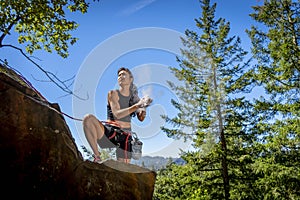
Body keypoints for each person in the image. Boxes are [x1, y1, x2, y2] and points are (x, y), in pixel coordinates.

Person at [82, 67, 152, 163]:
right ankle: (97, 156)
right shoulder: (113, 94)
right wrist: (137, 105)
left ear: (130, 79)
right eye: (119, 75)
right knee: (88, 119)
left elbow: (141, 118)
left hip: (126, 135)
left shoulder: (134, 98)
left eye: (123, 74)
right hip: (110, 132)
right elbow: (117, 114)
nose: (120, 77)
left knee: (123, 169)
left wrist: (143, 108)